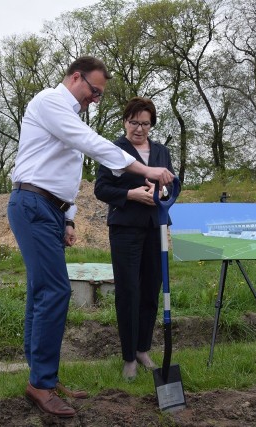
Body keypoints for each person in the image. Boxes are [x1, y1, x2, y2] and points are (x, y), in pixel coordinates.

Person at [8, 57, 174, 418]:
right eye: (93, 90)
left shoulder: (69, 115)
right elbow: (91, 144)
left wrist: (68, 219)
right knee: (56, 290)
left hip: (49, 209)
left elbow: (63, 172)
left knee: (42, 291)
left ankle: (43, 378)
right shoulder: (50, 102)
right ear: (75, 77)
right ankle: (41, 383)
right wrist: (145, 169)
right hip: (32, 205)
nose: (96, 98)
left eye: (100, 94)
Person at [94, 96, 175, 381]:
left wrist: (163, 194)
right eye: (133, 122)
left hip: (155, 227)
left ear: (152, 124)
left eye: (145, 123)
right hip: (125, 228)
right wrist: (130, 194)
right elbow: (101, 189)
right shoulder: (114, 150)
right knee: (129, 291)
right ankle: (128, 356)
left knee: (152, 288)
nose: (139, 129)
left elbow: (172, 183)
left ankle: (143, 349)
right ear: (124, 121)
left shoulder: (162, 152)